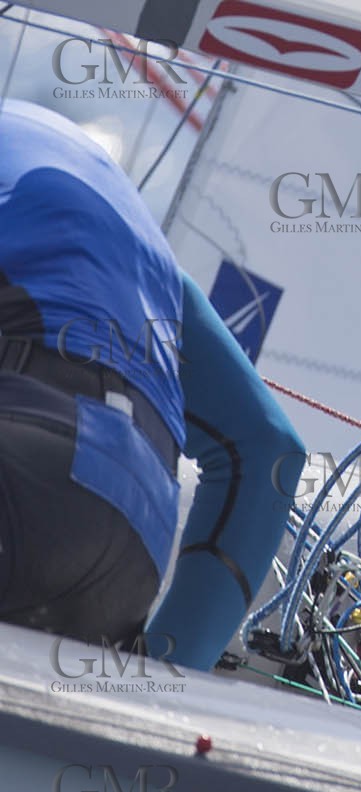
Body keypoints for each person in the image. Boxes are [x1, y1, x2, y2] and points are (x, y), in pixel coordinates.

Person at [0, 100, 303, 669]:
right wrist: (165, 674)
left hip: (26, 467)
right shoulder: (141, 254)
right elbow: (268, 448)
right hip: (128, 555)